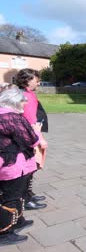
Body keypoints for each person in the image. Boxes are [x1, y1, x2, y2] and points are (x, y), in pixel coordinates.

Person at [0, 87, 45, 245]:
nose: (25, 103)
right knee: (11, 198)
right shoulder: (12, 117)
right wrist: (37, 131)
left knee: (15, 195)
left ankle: (18, 221)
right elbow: (31, 139)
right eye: (22, 100)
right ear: (14, 101)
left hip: (5, 163)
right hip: (12, 165)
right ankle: (5, 233)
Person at [14, 69, 48, 210]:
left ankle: (28, 193)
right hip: (29, 136)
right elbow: (30, 120)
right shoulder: (25, 95)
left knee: (31, 167)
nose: (38, 82)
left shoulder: (28, 93)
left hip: (30, 134)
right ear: (28, 80)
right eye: (36, 79)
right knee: (28, 168)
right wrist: (39, 138)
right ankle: (25, 199)